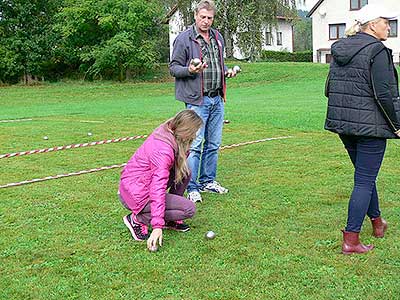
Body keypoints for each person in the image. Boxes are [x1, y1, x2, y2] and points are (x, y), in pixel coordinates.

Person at [324, 4, 400, 255]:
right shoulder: (377, 51)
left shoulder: (340, 49)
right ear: (371, 25)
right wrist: (397, 125)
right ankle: (351, 239)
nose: (389, 26)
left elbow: (329, 88)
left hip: (345, 125)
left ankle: (378, 223)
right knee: (365, 180)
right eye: (385, 22)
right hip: (370, 127)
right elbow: (385, 94)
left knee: (364, 177)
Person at [169, 0, 238, 203]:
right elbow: (173, 68)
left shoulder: (218, 37)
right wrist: (189, 70)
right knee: (195, 145)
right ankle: (191, 186)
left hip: (217, 98)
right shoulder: (184, 39)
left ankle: (208, 181)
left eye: (210, 18)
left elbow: (217, 66)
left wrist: (227, 73)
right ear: (195, 16)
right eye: (203, 17)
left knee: (214, 144)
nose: (206, 21)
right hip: (197, 101)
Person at [118, 110, 203, 251]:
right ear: (185, 131)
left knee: (185, 172)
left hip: (140, 186)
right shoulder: (163, 150)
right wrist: (157, 226)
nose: (195, 136)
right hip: (135, 194)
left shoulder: (172, 133)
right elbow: (157, 187)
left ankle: (170, 219)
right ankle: (136, 220)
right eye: (194, 132)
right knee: (189, 209)